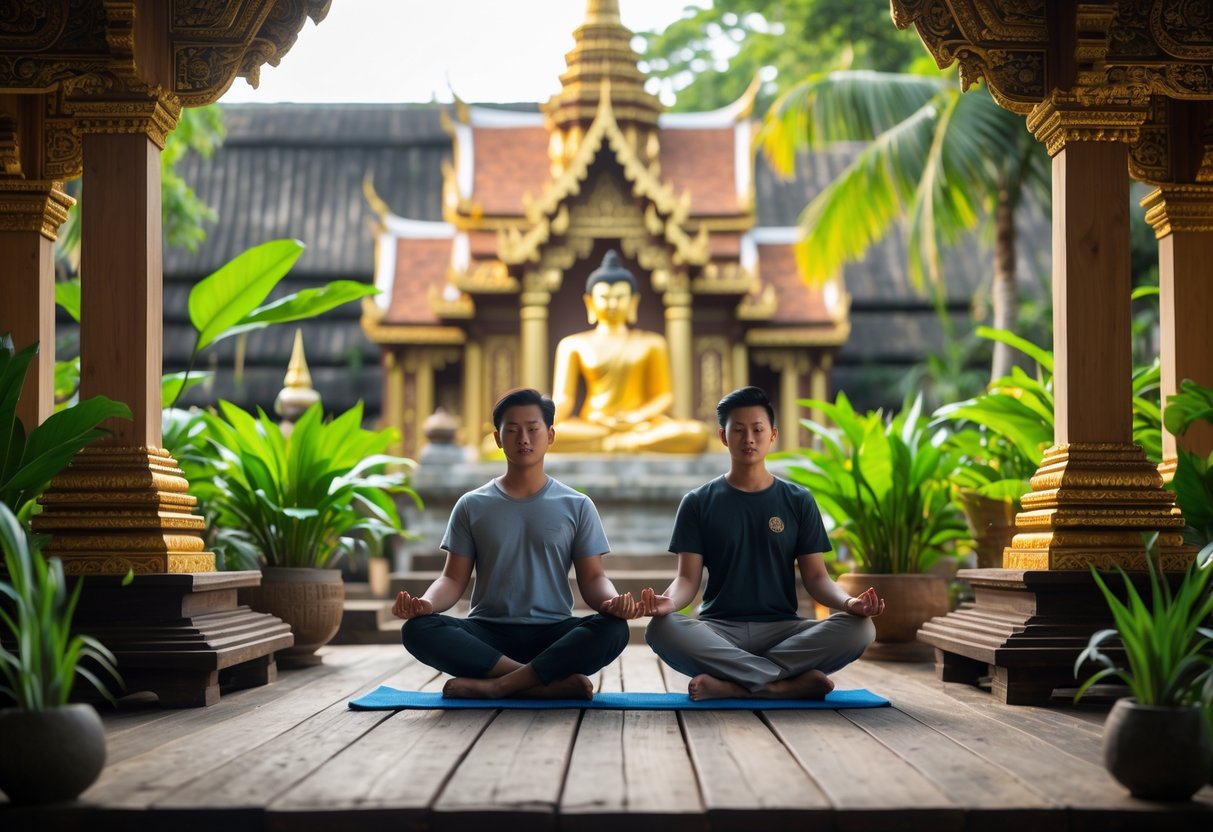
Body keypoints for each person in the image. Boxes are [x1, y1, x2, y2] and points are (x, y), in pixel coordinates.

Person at [638, 386, 883, 700]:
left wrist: (851, 603)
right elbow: (687, 578)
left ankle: (736, 685)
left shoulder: (798, 500)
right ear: (723, 436)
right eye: (738, 430)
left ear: (773, 435)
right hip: (719, 631)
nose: (748, 439)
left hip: (783, 631)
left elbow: (818, 578)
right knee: (660, 629)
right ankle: (781, 685)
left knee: (862, 628)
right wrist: (669, 603)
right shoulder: (698, 502)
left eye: (757, 429)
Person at [394, 387, 639, 699]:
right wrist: (425, 604)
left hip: (553, 632)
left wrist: (612, 603)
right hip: (487, 634)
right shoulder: (472, 505)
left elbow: (593, 577)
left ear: (550, 435)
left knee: (614, 629)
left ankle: (501, 685)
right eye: (512, 430)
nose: (524, 438)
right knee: (417, 630)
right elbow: (452, 579)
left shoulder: (577, 505)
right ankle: (540, 682)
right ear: (498, 439)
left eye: (533, 429)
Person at [550, 250, 710, 453]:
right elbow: (564, 399)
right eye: (605, 297)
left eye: (619, 297)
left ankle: (615, 444)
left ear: (633, 301)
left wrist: (637, 417)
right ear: (589, 302)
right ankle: (623, 444)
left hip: (640, 426)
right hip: (594, 425)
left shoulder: (652, 343)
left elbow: (665, 395)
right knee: (551, 436)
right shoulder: (572, 345)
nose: (612, 304)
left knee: (695, 432)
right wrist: (544, 426)